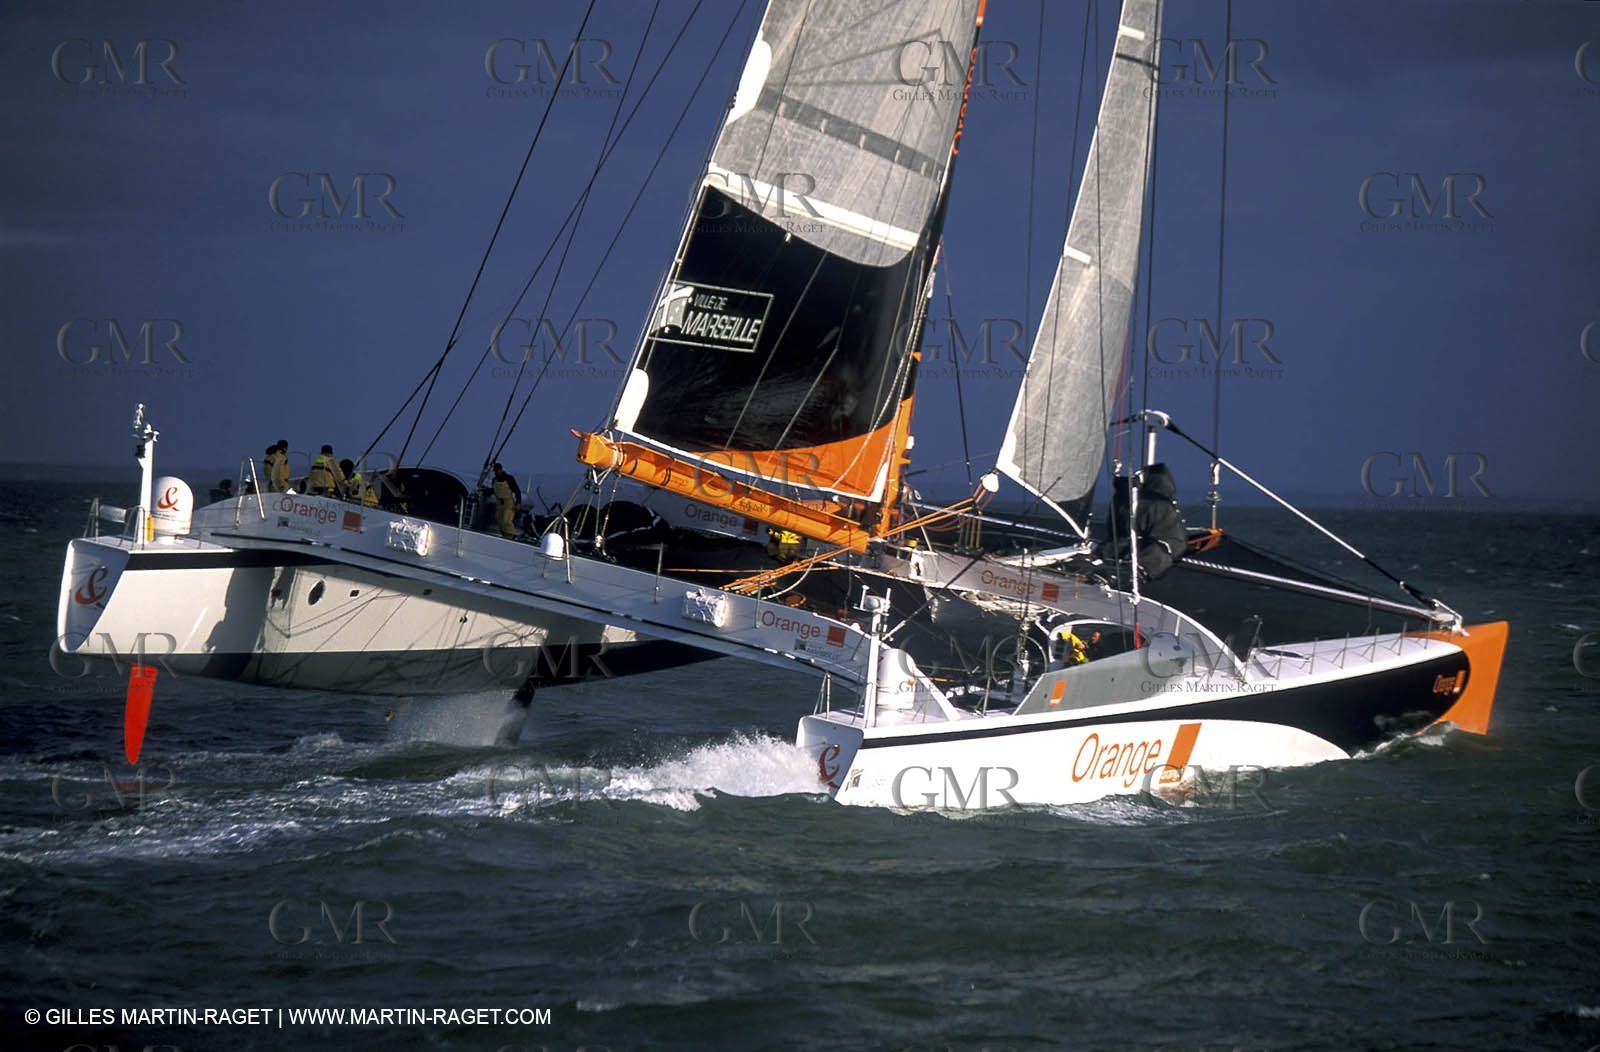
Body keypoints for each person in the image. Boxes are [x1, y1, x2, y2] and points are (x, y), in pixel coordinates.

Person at [491, 462, 520, 538]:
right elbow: (493, 490)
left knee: (506, 520)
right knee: (499, 518)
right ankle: (504, 535)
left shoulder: (509, 478)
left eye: (497, 470)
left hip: (508, 502)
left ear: (501, 469)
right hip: (499, 503)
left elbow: (517, 491)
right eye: (495, 471)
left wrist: (518, 503)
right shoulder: (494, 480)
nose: (496, 472)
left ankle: (512, 535)